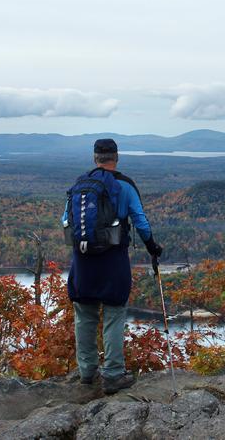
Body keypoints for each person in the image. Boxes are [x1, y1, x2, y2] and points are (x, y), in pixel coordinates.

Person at [66, 138, 162, 394]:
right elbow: (140, 221)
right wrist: (152, 247)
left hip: (83, 261)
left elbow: (66, 220)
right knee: (114, 314)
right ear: (116, 158)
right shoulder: (125, 185)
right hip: (113, 259)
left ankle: (87, 373)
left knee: (84, 316)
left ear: (95, 158)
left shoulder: (81, 186)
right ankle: (113, 374)